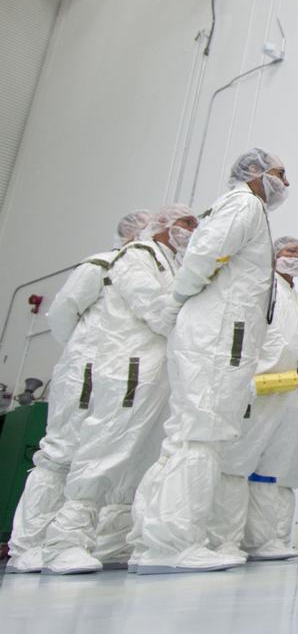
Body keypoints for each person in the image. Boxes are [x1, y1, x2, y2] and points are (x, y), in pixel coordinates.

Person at [133, 149, 286, 575]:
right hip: (220, 334)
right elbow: (205, 255)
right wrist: (178, 298)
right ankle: (175, 542)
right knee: (201, 434)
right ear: (255, 173)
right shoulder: (245, 203)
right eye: (279, 173)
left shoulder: (241, 207)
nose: (284, 182)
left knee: (190, 435)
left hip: (218, 333)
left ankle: (154, 539)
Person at [41, 206, 198, 575]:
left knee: (135, 459)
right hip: (127, 368)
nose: (195, 229)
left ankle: (108, 543)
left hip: (153, 371)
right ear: (162, 226)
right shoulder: (136, 258)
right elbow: (159, 312)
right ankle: (64, 541)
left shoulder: (170, 264)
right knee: (104, 449)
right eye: (188, 223)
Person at [6, 210, 154, 574]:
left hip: (121, 377)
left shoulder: (152, 273)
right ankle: (29, 545)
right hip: (87, 372)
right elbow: (62, 314)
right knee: (60, 456)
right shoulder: (101, 265)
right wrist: (85, 351)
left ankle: (85, 542)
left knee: (105, 460)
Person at [208, 236, 298, 562]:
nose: (295, 256)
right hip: (257, 384)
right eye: (288, 251)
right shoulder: (261, 287)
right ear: (273, 256)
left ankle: (262, 539)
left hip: (285, 388)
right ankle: (223, 540)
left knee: (268, 469)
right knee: (236, 463)